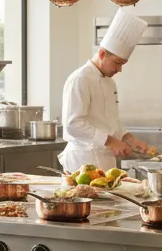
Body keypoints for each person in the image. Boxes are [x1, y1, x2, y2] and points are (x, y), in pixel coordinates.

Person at [59, 11, 153, 173]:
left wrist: (127, 138)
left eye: (122, 64)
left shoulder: (109, 83)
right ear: (102, 54)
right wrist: (110, 142)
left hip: (106, 159)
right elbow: (73, 124)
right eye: (117, 63)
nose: (119, 69)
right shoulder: (80, 79)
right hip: (83, 160)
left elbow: (110, 121)